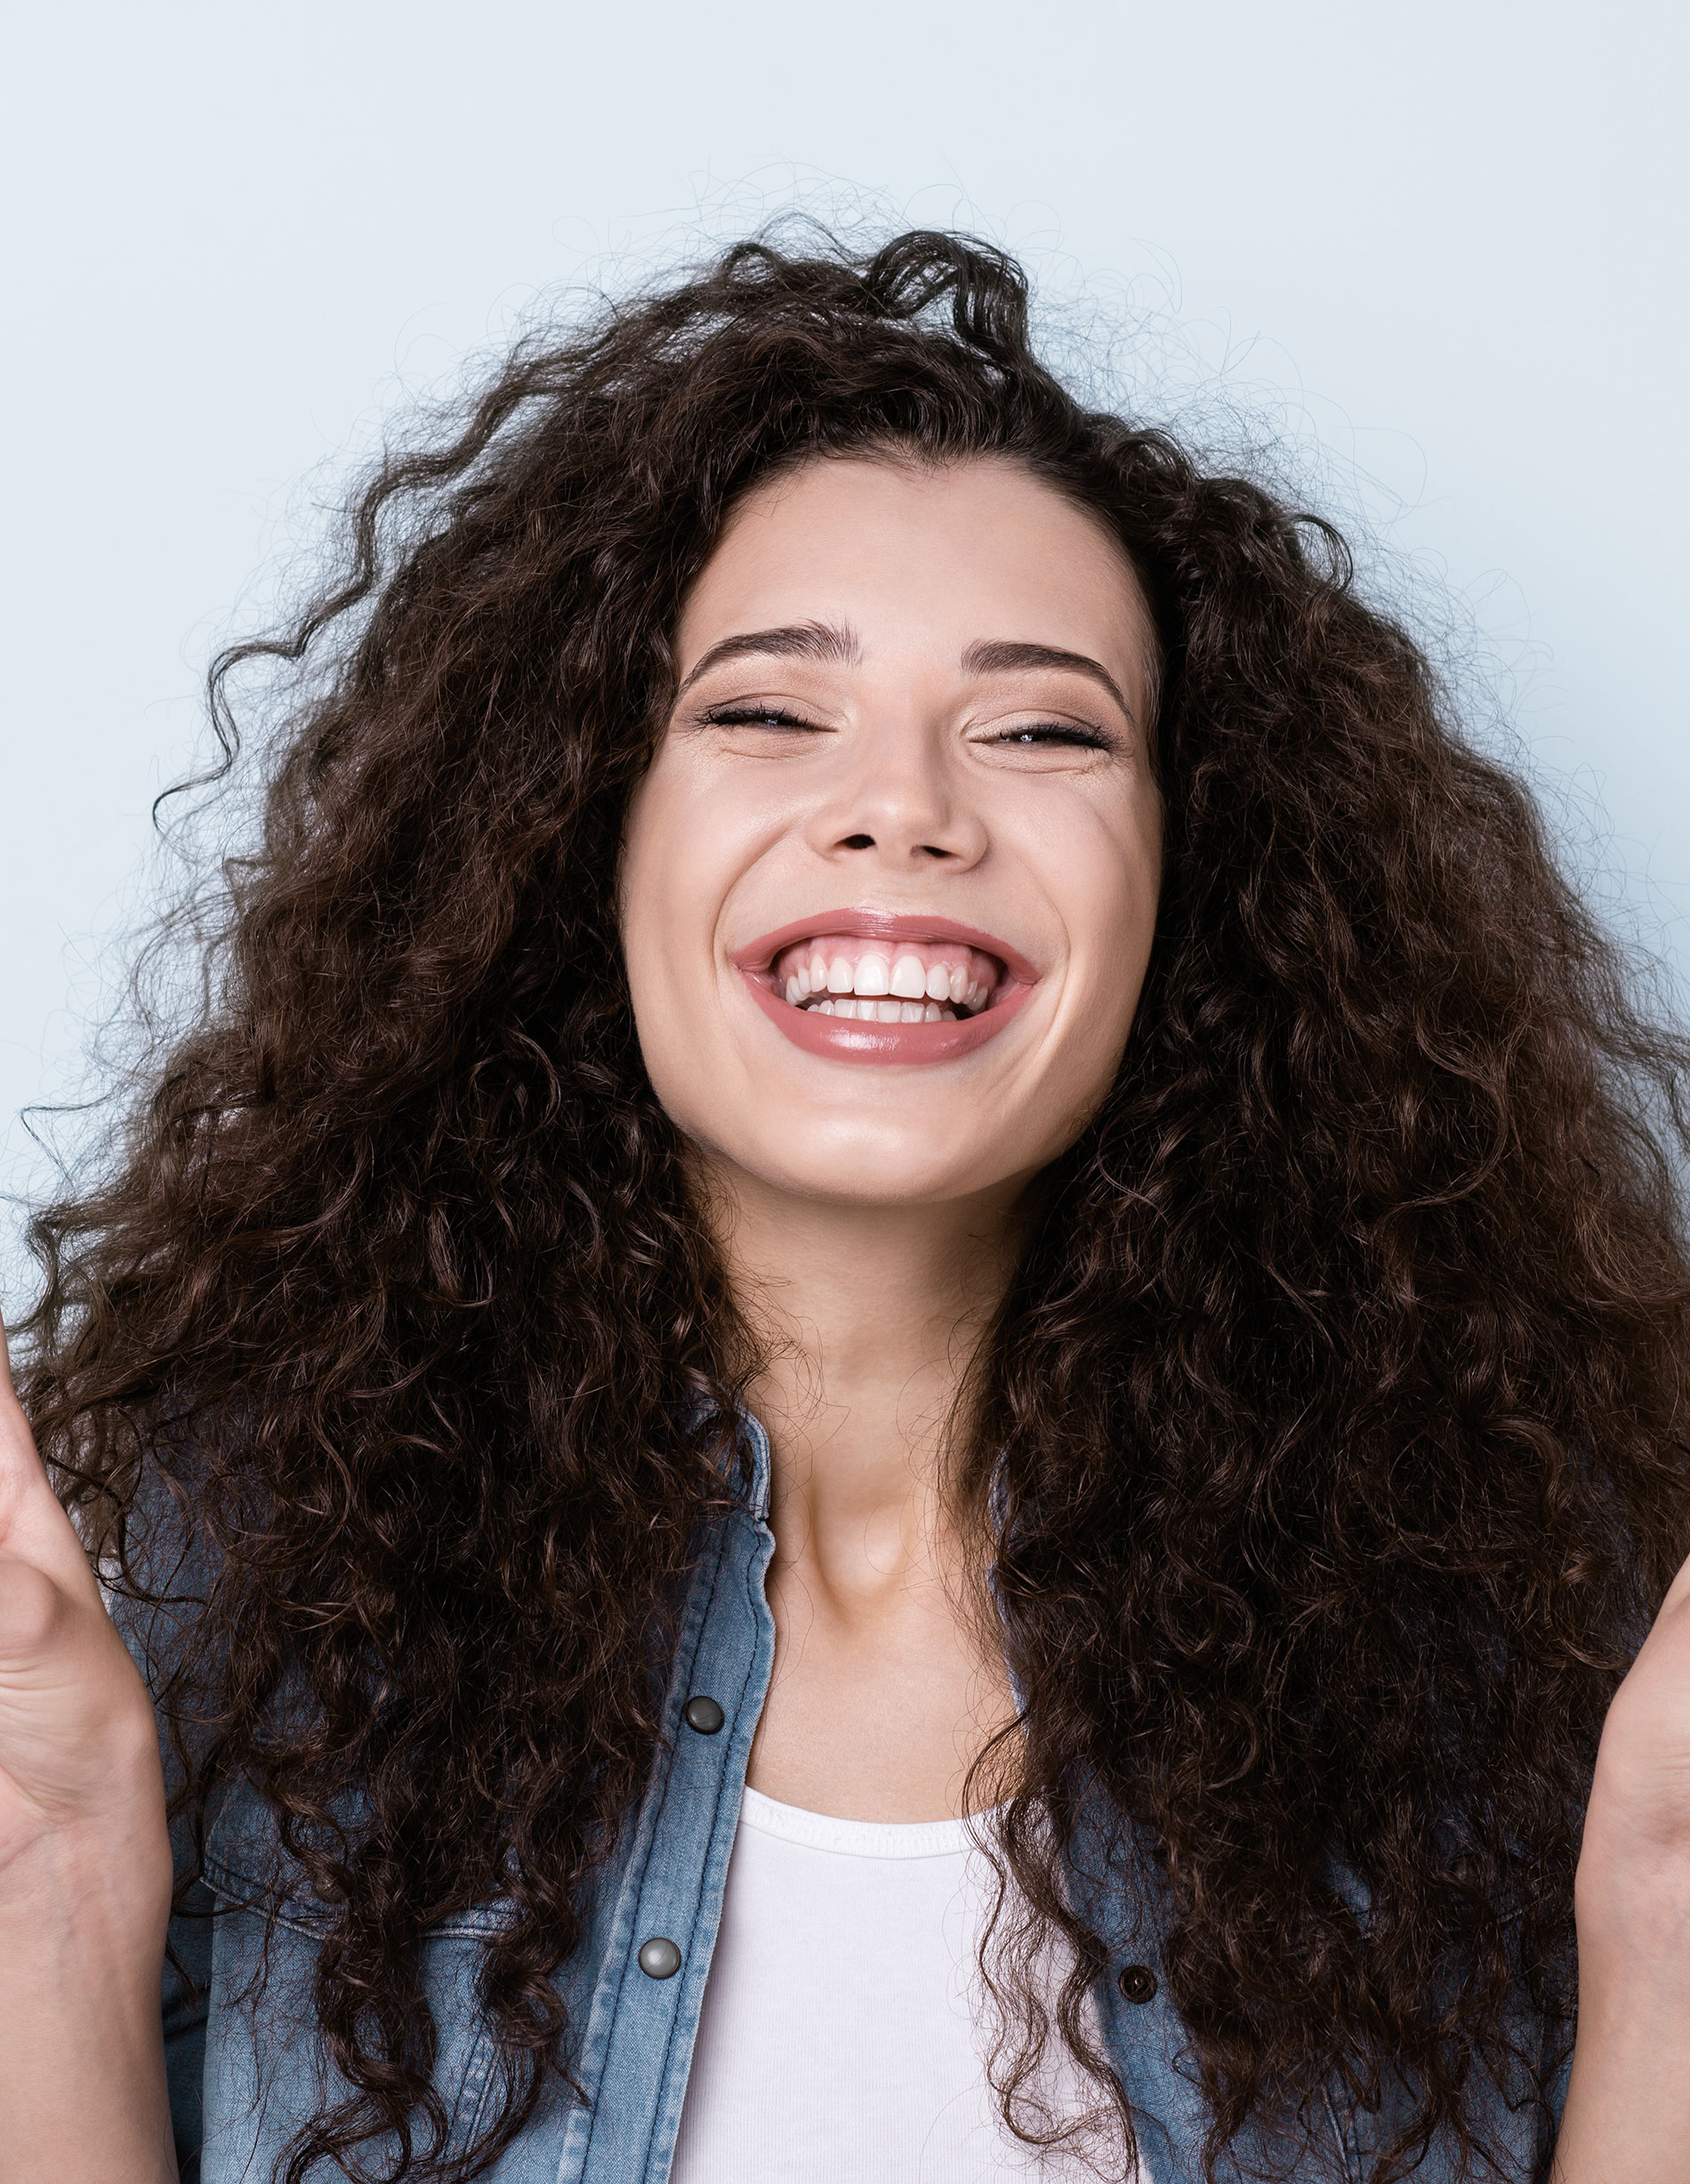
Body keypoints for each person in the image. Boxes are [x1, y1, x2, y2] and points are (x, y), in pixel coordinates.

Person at [3, 229, 1688, 2184]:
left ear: (1190, 884)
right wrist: (48, 1880)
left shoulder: (1497, 1616)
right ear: (580, 839)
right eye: (764, 712)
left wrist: (1660, 1920)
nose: (901, 804)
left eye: (1043, 727)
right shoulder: (262, 1582)